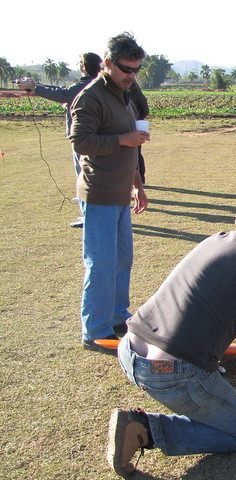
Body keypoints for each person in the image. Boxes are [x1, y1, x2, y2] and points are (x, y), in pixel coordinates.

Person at [108, 196, 236, 477]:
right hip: (169, 372)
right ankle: (145, 430)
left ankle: (151, 423)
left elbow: (209, 296)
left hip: (130, 349)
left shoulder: (216, 241)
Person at [68, 32, 149, 353]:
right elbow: (80, 142)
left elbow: (131, 146)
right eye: (126, 69)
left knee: (122, 260)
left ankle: (117, 315)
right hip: (99, 192)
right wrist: (123, 140)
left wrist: (138, 186)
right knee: (100, 264)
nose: (131, 76)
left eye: (136, 70)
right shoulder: (91, 97)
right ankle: (95, 330)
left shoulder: (123, 94)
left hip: (120, 193)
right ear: (107, 63)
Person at [15, 52, 102, 227]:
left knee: (84, 177)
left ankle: (89, 216)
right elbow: (65, 93)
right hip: (92, 137)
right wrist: (36, 86)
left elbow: (64, 94)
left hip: (84, 138)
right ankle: (89, 214)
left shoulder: (86, 85)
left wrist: (35, 88)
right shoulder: (94, 84)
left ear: (84, 66)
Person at [128, 81, 149, 184]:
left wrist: (138, 118)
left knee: (136, 154)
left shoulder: (135, 93)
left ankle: (140, 180)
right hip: (126, 127)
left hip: (135, 127)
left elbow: (145, 110)